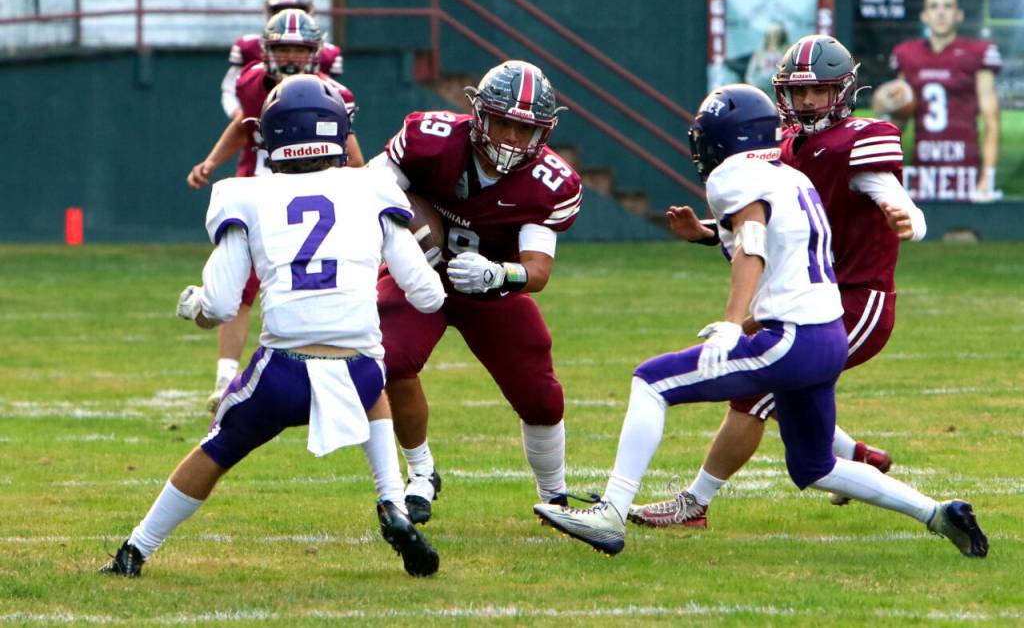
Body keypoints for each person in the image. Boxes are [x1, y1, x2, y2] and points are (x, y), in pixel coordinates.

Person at [533, 83, 988, 559]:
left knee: (651, 381)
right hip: (827, 334)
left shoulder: (733, 175)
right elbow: (779, 248)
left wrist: (733, 323)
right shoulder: (792, 177)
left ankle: (611, 512)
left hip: (791, 338)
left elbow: (752, 242)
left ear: (725, 138)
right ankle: (938, 512)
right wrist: (710, 236)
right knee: (813, 465)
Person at [101, 75, 445, 579]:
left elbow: (220, 305)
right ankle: (391, 503)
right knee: (372, 378)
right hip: (358, 369)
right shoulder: (372, 188)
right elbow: (428, 294)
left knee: (216, 449)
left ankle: (135, 549)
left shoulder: (244, 195)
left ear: (269, 135)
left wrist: (192, 306)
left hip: (283, 374)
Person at [628, 34, 929, 528]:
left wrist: (908, 221)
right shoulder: (784, 146)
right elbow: (768, 232)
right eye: (798, 91)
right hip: (803, 292)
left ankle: (694, 503)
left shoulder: (858, 140)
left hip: (855, 299)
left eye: (820, 91)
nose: (808, 101)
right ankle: (858, 454)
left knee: (755, 393)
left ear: (844, 91)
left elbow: (900, 202)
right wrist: (706, 235)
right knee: (779, 383)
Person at [370, 60, 583, 523]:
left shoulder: (551, 182)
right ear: (479, 114)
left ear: (543, 133)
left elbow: (537, 271)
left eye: (523, 130)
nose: (510, 138)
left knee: (541, 396)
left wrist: (497, 276)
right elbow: (371, 186)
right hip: (418, 275)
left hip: (489, 287)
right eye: (503, 122)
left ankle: (555, 497)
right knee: (390, 359)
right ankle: (422, 473)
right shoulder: (430, 139)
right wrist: (407, 231)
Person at [191, 8, 365, 413]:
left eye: (299, 49)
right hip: (261, 195)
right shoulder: (253, 84)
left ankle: (327, 371)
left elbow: (354, 159)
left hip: (311, 203)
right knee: (242, 288)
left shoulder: (333, 96)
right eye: (283, 47)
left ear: (316, 54)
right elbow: (242, 125)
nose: (290, 56)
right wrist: (211, 163)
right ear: (266, 50)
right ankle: (224, 380)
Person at [885, 0, 1002, 202]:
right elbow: (897, 122)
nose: (941, 12)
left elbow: (992, 120)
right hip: (923, 168)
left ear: (958, 15)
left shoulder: (976, 53)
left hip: (965, 168)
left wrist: (987, 178)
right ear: (924, 15)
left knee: (963, 234)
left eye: (947, 6)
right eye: (934, 6)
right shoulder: (907, 54)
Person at [220, 0, 343, 120]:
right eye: (282, 49)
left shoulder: (326, 55)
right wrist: (242, 118)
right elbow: (230, 90)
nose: (288, 14)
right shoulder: (248, 49)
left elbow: (330, 99)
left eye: (301, 50)